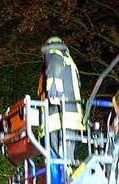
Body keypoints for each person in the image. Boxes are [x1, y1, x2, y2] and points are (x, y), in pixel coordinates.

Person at [38, 37, 84, 166]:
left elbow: (54, 70)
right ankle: (69, 181)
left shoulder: (54, 53)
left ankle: (66, 182)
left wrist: (53, 94)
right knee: (66, 159)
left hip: (57, 120)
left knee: (58, 160)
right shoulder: (69, 62)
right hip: (71, 120)